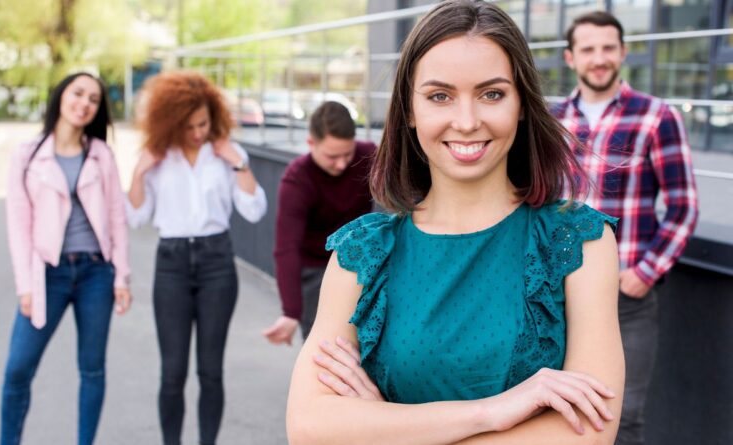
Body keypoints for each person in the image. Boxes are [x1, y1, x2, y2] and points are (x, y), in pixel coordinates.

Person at [286, 1, 625, 444]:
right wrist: (491, 413)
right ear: (409, 110)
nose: (466, 122)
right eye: (439, 96)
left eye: (492, 94)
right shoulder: (363, 254)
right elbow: (309, 427)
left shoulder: (577, 242)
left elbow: (589, 434)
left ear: (522, 103)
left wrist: (385, 427)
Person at [552, 11, 699, 445]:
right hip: (558, 290)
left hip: (626, 295)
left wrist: (645, 272)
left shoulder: (657, 117)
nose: (599, 58)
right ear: (570, 57)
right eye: (588, 49)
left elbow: (683, 205)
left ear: (623, 52)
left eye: (608, 48)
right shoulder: (552, 120)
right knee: (558, 407)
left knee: (623, 413)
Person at [126, 71, 267, 445]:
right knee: (172, 372)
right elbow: (136, 217)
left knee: (210, 371)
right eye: (188, 126)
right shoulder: (158, 156)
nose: (197, 132)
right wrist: (139, 173)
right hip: (171, 262)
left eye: (203, 123)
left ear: (214, 116)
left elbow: (254, 209)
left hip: (216, 262)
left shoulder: (226, 154)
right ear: (171, 122)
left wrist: (239, 163)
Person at [2, 72, 132, 445]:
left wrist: (121, 277)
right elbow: (18, 225)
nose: (84, 103)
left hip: (96, 274)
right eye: (78, 93)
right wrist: (25, 286)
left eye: (93, 99)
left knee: (91, 370)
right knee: (17, 370)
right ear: (61, 96)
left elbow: (117, 218)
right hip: (48, 275)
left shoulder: (100, 154)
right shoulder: (27, 156)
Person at [263, 101, 375, 345]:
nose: (342, 164)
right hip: (316, 271)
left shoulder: (367, 155)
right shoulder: (297, 179)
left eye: (347, 154)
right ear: (311, 143)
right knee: (324, 348)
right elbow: (286, 248)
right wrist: (291, 312)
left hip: (361, 264)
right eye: (332, 156)